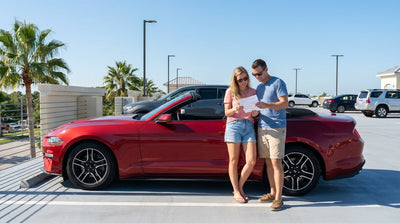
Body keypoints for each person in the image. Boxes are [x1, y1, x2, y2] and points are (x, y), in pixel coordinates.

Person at [252, 59, 288, 211]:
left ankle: (279, 199)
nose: (257, 77)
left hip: (276, 128)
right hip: (263, 127)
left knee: (276, 163)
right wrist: (254, 112)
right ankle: (272, 193)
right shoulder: (259, 88)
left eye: (259, 73)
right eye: (255, 75)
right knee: (268, 163)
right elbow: (258, 108)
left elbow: (284, 103)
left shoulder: (278, 83)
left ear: (266, 69)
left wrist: (266, 105)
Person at [224, 66, 259, 203]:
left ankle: (239, 186)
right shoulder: (230, 92)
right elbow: (226, 113)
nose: (244, 82)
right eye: (240, 80)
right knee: (233, 160)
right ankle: (237, 191)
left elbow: (255, 112)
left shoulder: (253, 92)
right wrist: (235, 109)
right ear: (235, 80)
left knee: (251, 161)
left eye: (246, 79)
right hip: (233, 126)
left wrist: (255, 112)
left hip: (249, 125)